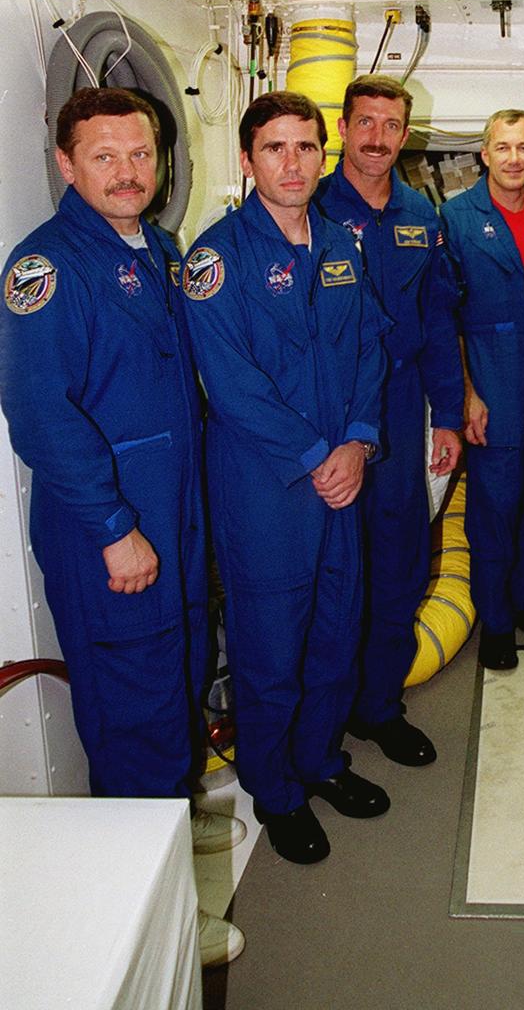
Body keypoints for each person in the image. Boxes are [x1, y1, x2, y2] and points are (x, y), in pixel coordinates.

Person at [0, 86, 245, 966]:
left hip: (170, 521)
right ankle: (158, 939)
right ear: (66, 166)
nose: (127, 171)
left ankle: (160, 893)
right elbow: (38, 412)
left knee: (174, 697)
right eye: (103, 156)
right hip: (110, 536)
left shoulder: (160, 249)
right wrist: (112, 527)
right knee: (138, 720)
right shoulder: (47, 267)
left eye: (139, 154)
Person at [182, 91, 389, 863]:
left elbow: (369, 350)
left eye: (307, 147)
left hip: (343, 479)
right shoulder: (216, 258)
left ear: (322, 155)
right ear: (248, 160)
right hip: (267, 491)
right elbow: (230, 384)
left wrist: (360, 442)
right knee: (271, 651)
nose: (293, 162)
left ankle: (319, 762)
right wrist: (315, 456)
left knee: (337, 631)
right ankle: (275, 790)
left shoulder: (341, 247)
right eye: (275, 148)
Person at [314, 74, 464, 766]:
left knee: (400, 565)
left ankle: (378, 707)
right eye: (364, 122)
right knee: (328, 571)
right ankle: (321, 716)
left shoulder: (418, 216)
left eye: (390, 124)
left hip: (401, 410)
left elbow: (438, 321)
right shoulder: (305, 206)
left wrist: (449, 417)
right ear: (343, 127)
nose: (376, 137)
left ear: (406, 135)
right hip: (327, 411)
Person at [440, 109, 524, 670]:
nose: (514, 158)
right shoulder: (456, 217)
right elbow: (443, 314)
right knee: (494, 508)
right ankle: (496, 622)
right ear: (484, 154)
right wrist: (467, 393)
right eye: (503, 148)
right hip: (490, 373)